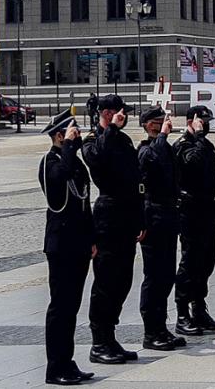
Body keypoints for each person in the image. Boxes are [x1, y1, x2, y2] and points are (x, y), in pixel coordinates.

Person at [81, 95, 143, 365]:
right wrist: (110, 129)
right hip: (107, 215)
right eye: (119, 112)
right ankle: (99, 341)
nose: (124, 116)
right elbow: (99, 162)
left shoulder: (124, 139)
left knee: (123, 280)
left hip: (127, 214)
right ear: (106, 113)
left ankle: (111, 336)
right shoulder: (92, 141)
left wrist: (141, 219)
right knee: (106, 282)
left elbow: (135, 178)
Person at [38, 114, 96, 386]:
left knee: (72, 307)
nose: (78, 134)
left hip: (79, 243)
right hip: (61, 245)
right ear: (60, 136)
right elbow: (57, 193)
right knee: (60, 308)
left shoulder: (74, 162)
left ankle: (68, 361)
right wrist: (69, 149)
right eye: (73, 131)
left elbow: (85, 203)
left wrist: (92, 238)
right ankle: (55, 366)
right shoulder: (50, 162)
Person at [135, 107, 188, 351]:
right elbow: (150, 163)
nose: (159, 127)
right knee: (154, 277)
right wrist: (163, 136)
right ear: (146, 126)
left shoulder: (164, 147)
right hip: (153, 219)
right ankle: (150, 331)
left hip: (168, 218)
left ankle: (161, 327)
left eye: (162, 122)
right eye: (154, 123)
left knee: (167, 276)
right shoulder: (145, 149)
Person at [173, 106, 215, 335]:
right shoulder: (183, 145)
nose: (206, 125)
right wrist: (195, 136)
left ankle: (199, 309)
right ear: (192, 121)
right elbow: (193, 162)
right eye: (202, 121)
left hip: (209, 210)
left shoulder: (206, 145)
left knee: (206, 263)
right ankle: (182, 313)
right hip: (191, 211)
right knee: (190, 263)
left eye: (207, 121)